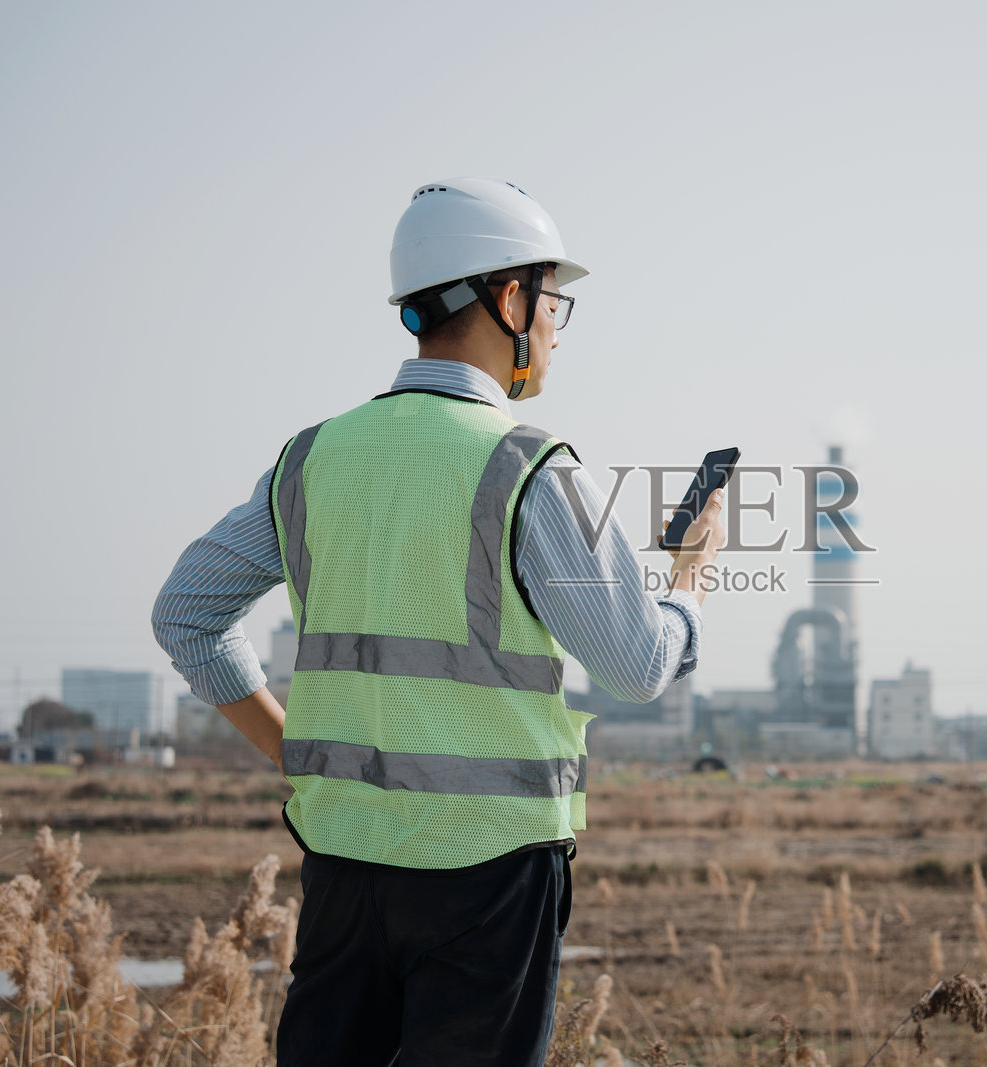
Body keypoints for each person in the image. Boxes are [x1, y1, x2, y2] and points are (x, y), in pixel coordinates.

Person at [151, 178, 727, 1066]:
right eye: (551, 303)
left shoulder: (313, 457)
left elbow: (187, 614)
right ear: (508, 299)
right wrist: (690, 578)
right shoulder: (527, 467)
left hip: (344, 865)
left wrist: (292, 747)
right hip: (489, 878)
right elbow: (640, 663)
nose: (553, 330)